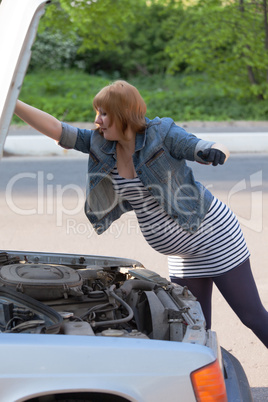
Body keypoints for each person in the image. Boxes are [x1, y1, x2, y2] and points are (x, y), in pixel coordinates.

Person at [14, 80, 268, 347]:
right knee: (193, 326)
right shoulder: (101, 144)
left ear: (124, 114)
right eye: (97, 112)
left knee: (252, 316)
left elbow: (199, 145)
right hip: (182, 254)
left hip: (213, 237)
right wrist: (11, 101)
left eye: (104, 113)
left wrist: (214, 151)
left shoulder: (161, 133)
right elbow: (57, 130)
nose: (97, 120)